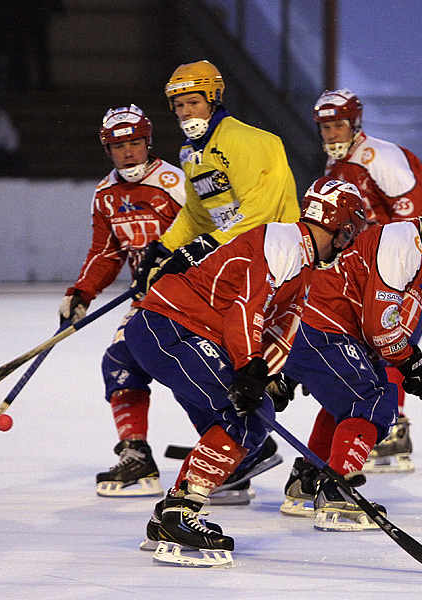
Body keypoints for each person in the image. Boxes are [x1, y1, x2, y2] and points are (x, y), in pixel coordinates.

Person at [124, 176, 366, 567]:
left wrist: (272, 374)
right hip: (169, 324)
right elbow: (245, 310)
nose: (351, 239)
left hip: (176, 326)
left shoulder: (301, 260)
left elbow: (280, 325)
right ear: (342, 226)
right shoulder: (284, 242)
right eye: (351, 229)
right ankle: (179, 513)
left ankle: (171, 513)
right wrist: (251, 369)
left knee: (251, 418)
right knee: (247, 415)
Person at [113, 59, 300, 504]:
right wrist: (165, 247)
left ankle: (258, 447)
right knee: (194, 364)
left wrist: (203, 247)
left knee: (250, 368)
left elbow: (257, 212)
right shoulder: (191, 153)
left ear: (214, 98)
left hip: (270, 266)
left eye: (193, 101)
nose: (185, 112)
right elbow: (199, 213)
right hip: (233, 266)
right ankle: (231, 451)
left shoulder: (248, 141)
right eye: (178, 105)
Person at [277, 184, 422, 532]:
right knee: (374, 402)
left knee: (345, 401)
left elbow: (382, 328)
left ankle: (308, 482)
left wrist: (408, 360)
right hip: (321, 328)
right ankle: (337, 492)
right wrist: (409, 362)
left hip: (316, 328)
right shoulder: (402, 243)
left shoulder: (412, 252)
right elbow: (379, 327)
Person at [57, 105, 186, 498]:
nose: (128, 153)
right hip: (148, 301)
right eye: (119, 146)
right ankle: (136, 454)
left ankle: (236, 445)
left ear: (148, 142)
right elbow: (106, 252)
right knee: (119, 361)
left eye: (134, 143)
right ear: (107, 149)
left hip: (191, 298)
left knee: (187, 372)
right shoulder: (105, 194)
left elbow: (213, 233)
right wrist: (81, 292)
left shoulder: (175, 182)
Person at [312, 88, 422, 473]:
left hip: (405, 267)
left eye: (339, 125)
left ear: (355, 123)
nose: (333, 134)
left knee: (390, 341)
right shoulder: (336, 167)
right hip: (372, 271)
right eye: (326, 127)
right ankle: (386, 427)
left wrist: (392, 259)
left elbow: (414, 215)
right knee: (371, 346)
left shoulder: (378, 157)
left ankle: (390, 428)